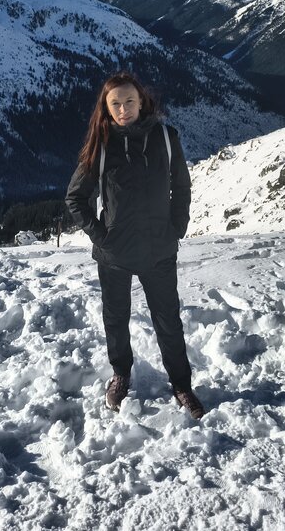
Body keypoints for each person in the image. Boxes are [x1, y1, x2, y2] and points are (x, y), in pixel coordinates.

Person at [65, 71, 205, 419]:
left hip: (159, 249)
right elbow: (75, 198)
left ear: (142, 101)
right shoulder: (101, 145)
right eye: (115, 104)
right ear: (106, 108)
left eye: (129, 101)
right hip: (115, 253)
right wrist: (102, 236)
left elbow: (181, 187)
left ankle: (182, 385)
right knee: (115, 319)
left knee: (168, 321)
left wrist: (177, 227)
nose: (123, 109)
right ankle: (121, 375)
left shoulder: (166, 138)